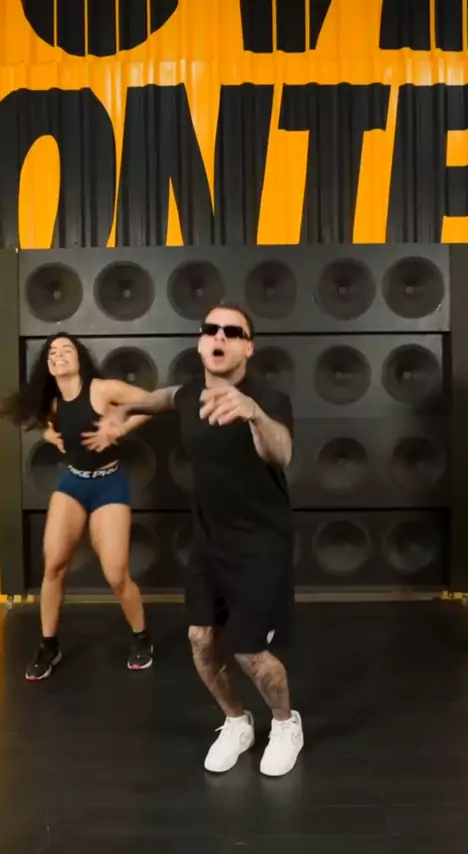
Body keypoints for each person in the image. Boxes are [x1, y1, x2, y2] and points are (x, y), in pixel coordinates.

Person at [96, 303, 304, 777]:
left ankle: (285, 722)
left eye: (233, 331)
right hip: (209, 541)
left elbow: (282, 452)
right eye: (211, 329)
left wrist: (253, 414)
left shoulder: (268, 400)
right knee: (200, 638)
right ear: (201, 341)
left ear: (248, 347)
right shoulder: (192, 393)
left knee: (249, 650)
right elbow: (167, 397)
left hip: (261, 544)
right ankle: (237, 722)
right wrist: (126, 408)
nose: (220, 336)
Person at [0, 333, 154, 680]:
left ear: (79, 358)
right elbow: (39, 421)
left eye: (66, 349)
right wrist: (47, 434)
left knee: (116, 574)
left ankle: (141, 637)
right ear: (48, 364)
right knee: (54, 565)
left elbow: (150, 402)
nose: (58, 354)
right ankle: (48, 645)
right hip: (73, 482)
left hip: (109, 483)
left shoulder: (101, 389)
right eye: (52, 352)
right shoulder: (52, 401)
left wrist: (119, 428)